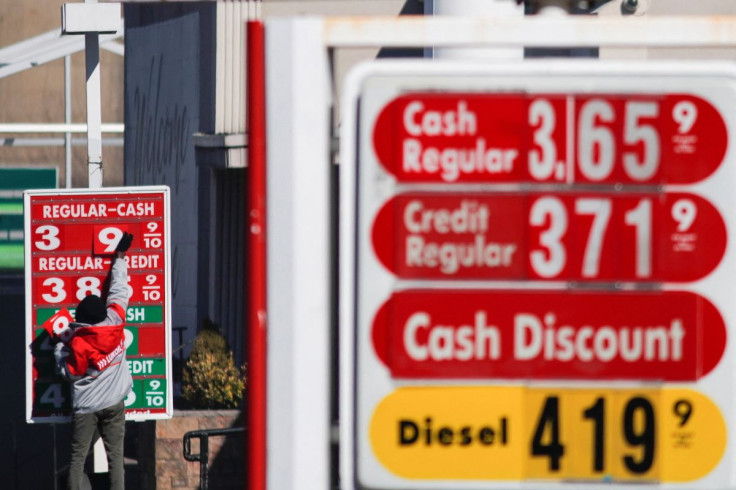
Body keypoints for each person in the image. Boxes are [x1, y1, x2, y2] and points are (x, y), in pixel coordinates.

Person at [54, 232, 134, 490]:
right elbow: (119, 290)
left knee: (77, 461)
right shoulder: (116, 322)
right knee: (116, 460)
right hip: (114, 403)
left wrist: (58, 349)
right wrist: (120, 257)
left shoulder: (77, 342)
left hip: (87, 407)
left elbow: (69, 374)